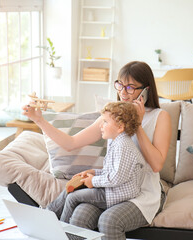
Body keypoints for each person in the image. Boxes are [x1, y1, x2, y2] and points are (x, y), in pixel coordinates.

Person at [23, 61, 172, 240]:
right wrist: (39, 120)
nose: (123, 92)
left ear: (146, 89)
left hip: (143, 193)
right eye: (120, 85)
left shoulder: (160, 116)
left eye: (130, 87)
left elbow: (156, 165)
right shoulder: (112, 116)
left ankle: (46, 219)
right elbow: (71, 143)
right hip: (109, 188)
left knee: (109, 221)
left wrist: (137, 125)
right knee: (80, 215)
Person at [47, 102, 145, 223]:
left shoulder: (123, 146)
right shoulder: (115, 141)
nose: (101, 126)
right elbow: (110, 172)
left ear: (120, 127)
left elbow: (116, 178)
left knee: (73, 197)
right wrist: (93, 172)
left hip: (116, 194)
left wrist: (92, 181)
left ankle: (61, 230)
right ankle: (49, 215)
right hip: (110, 189)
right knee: (73, 187)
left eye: (105, 122)